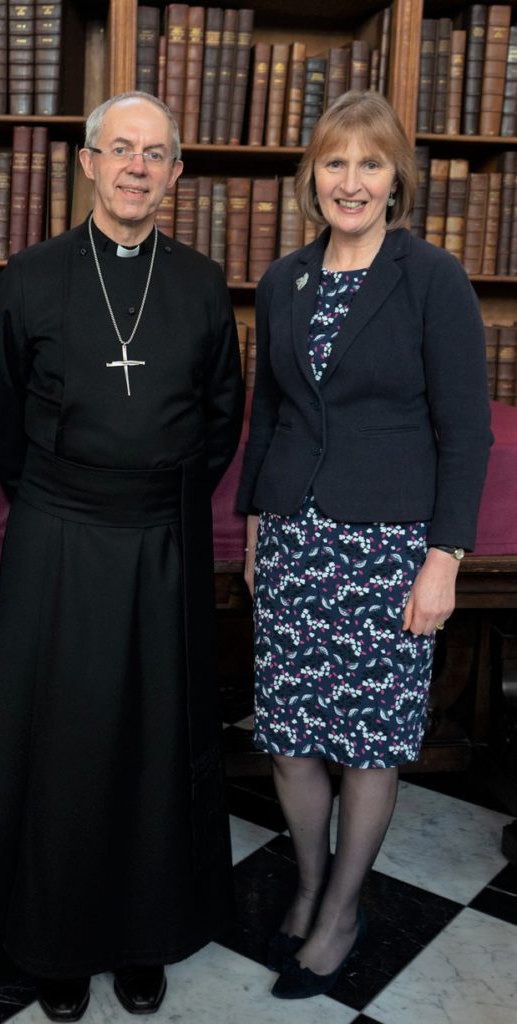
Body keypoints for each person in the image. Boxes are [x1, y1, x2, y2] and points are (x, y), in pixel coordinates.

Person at [0, 92, 243, 1021]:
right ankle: (57, 943)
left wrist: (150, 496)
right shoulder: (32, 276)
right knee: (64, 744)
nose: (135, 167)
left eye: (154, 154)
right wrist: (70, 499)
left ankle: (142, 938)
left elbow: (221, 417)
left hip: (161, 540)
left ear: (175, 174)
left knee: (154, 744)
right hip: (60, 539)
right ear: (86, 163)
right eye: (119, 149)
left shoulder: (201, 283)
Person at [236, 90, 492, 1000]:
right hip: (295, 542)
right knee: (290, 741)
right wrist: (257, 528)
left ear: (395, 180)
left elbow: (466, 433)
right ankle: (310, 885)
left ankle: (343, 910)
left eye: (369, 163)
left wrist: (443, 559)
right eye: (334, 162)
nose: (350, 181)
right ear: (311, 176)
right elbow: (269, 414)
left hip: (388, 552)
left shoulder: (432, 278)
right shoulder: (284, 280)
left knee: (368, 747)